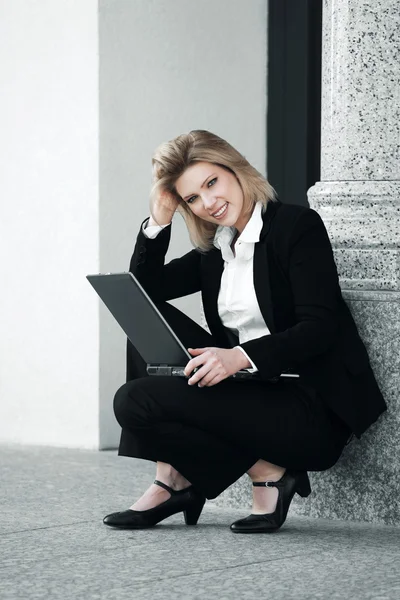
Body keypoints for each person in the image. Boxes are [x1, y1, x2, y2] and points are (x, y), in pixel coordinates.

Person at [103, 129, 386, 533]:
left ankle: (265, 469)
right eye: (192, 198)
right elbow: (143, 292)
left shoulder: (295, 227)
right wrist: (158, 221)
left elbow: (318, 328)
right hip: (253, 393)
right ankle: (172, 479)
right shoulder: (216, 248)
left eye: (211, 183)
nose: (209, 203)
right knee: (145, 327)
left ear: (234, 169)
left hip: (309, 405)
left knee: (134, 402)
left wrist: (239, 356)